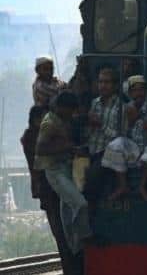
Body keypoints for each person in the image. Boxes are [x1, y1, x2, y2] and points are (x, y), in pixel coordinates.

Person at [22, 105, 80, 275]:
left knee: (65, 229)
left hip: (52, 187)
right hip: (48, 189)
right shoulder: (32, 138)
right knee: (61, 232)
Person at [35, 92, 92, 256]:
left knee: (66, 210)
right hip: (55, 170)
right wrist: (67, 148)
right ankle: (84, 236)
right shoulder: (49, 123)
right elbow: (40, 149)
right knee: (80, 204)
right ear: (62, 108)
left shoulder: (62, 120)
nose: (72, 114)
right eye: (71, 110)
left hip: (66, 167)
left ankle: (73, 247)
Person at [101, 76, 147, 201]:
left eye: (141, 90)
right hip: (133, 148)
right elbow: (122, 133)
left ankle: (142, 187)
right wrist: (131, 121)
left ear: (145, 91)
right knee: (116, 144)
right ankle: (123, 186)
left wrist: (139, 116)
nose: (138, 93)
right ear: (130, 93)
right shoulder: (127, 106)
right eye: (135, 90)